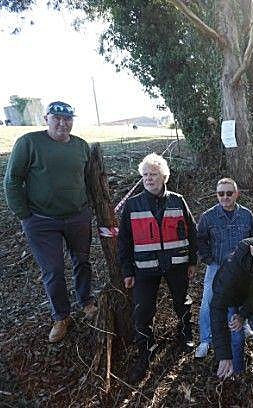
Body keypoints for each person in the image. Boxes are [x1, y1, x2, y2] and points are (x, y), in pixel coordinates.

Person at [3, 101, 96, 343]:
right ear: (46, 119)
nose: (63, 124)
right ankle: (61, 316)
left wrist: (89, 208)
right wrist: (24, 215)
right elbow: (12, 180)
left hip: (77, 216)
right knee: (53, 270)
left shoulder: (81, 146)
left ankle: (86, 301)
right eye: (57, 118)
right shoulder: (29, 143)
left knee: (83, 262)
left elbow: (89, 180)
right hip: (41, 221)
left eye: (68, 119)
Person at [117, 153, 199, 381]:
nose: (148, 179)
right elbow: (124, 240)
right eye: (145, 175)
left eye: (153, 174)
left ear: (164, 176)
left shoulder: (178, 200)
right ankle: (146, 351)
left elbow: (192, 232)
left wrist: (192, 260)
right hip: (145, 266)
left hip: (177, 263)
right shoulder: (133, 205)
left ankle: (185, 336)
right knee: (143, 310)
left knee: (182, 301)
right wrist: (127, 271)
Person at [195, 177, 253, 359]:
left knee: (243, 296)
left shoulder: (246, 215)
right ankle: (205, 339)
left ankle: (243, 323)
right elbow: (200, 239)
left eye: (229, 193)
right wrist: (207, 258)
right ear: (217, 194)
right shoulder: (208, 216)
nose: (225, 197)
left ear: (236, 194)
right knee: (208, 300)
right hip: (217, 265)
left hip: (241, 267)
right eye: (221, 193)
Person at [210, 232, 253, 379]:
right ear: (251, 251)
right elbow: (217, 307)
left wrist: (243, 315)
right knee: (237, 336)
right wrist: (223, 354)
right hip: (229, 297)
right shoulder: (231, 268)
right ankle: (238, 372)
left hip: (249, 296)